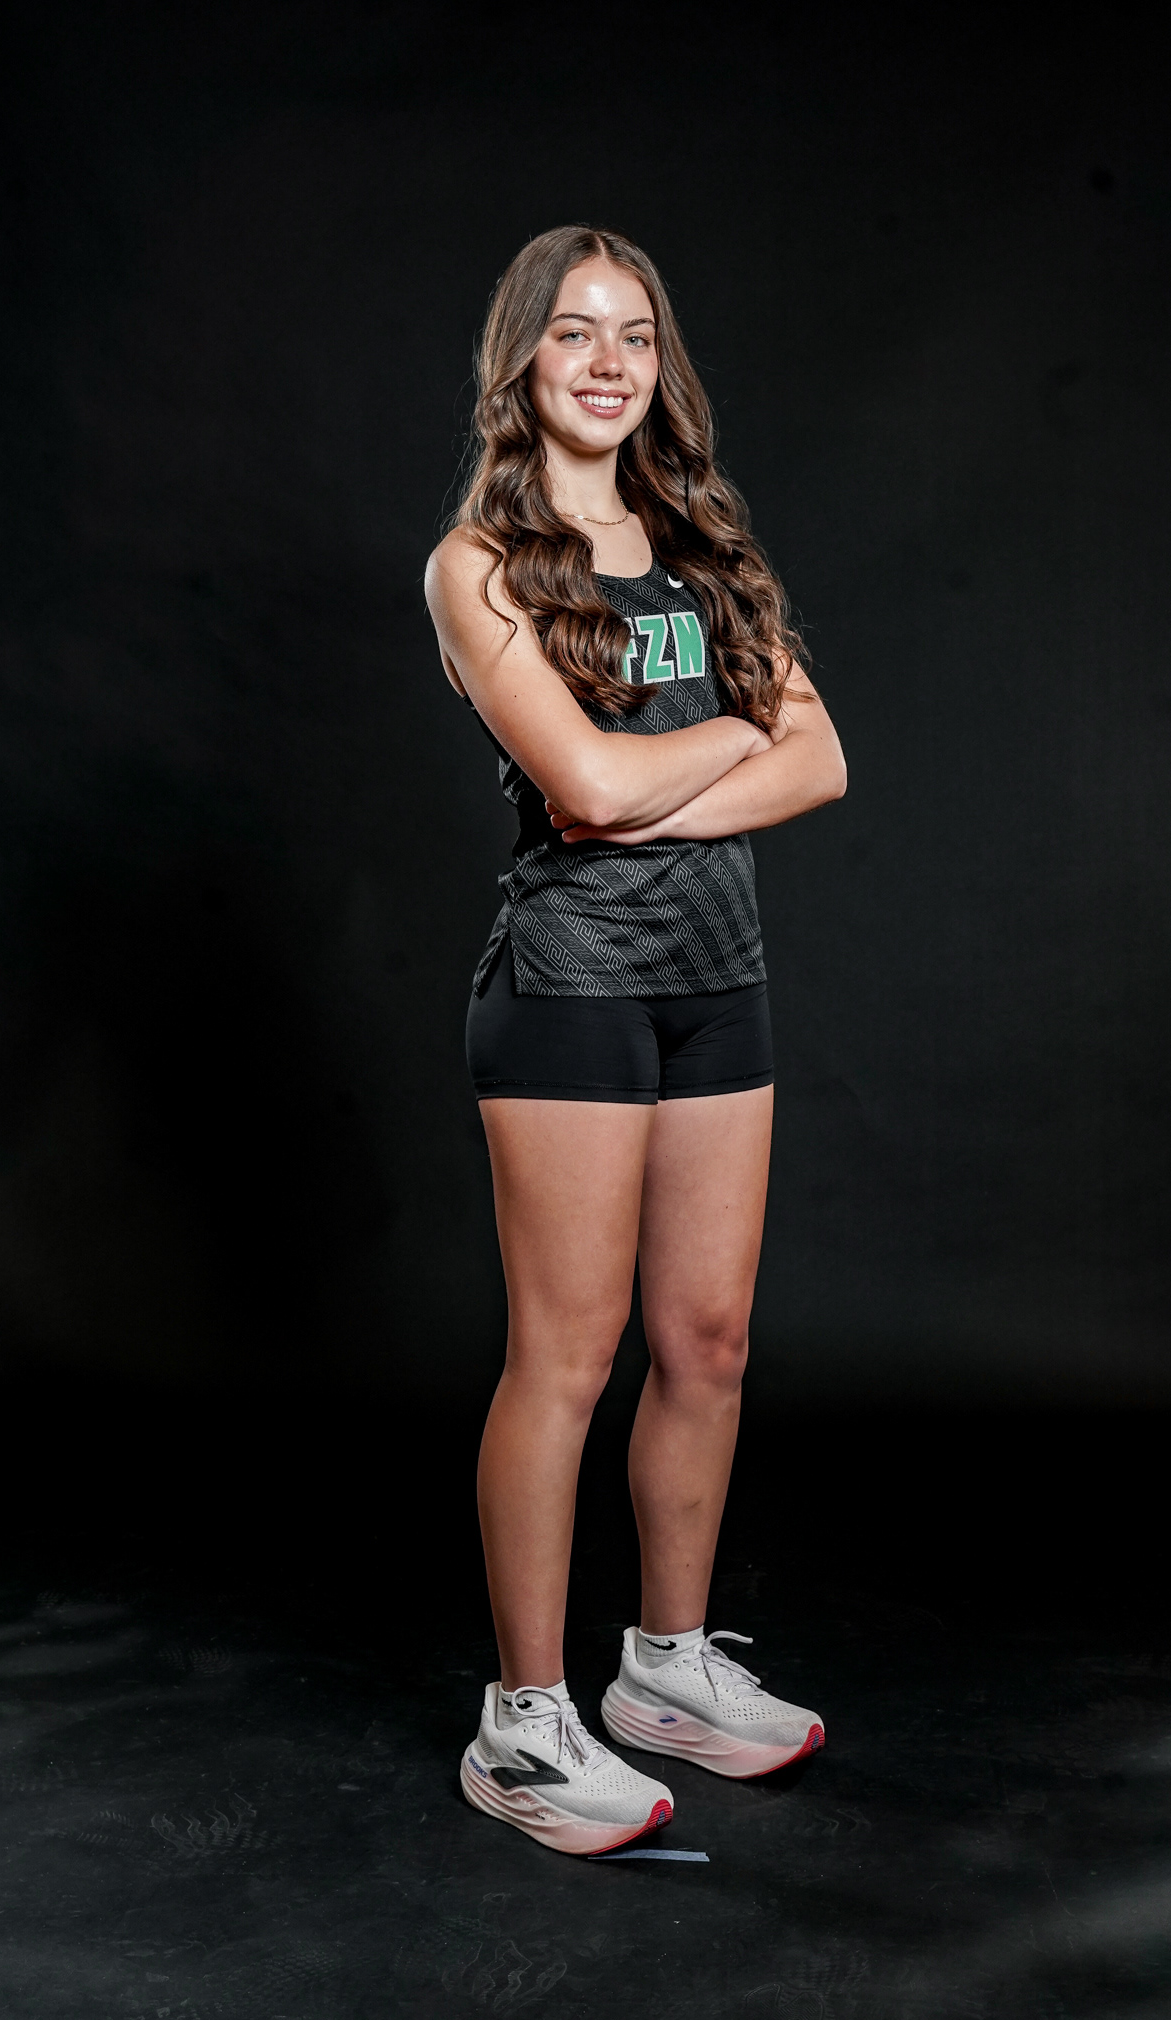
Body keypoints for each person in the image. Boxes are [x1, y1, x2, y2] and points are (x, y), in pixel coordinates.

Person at [424, 226, 847, 1856]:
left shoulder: (702, 545)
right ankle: (525, 1726)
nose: (607, 362)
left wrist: (680, 763)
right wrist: (735, 729)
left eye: (635, 335)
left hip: (716, 979)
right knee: (569, 1357)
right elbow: (584, 786)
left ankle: (664, 1672)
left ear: (658, 366)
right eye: (574, 332)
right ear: (522, 357)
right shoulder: (480, 566)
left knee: (709, 1341)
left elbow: (818, 762)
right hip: (568, 994)